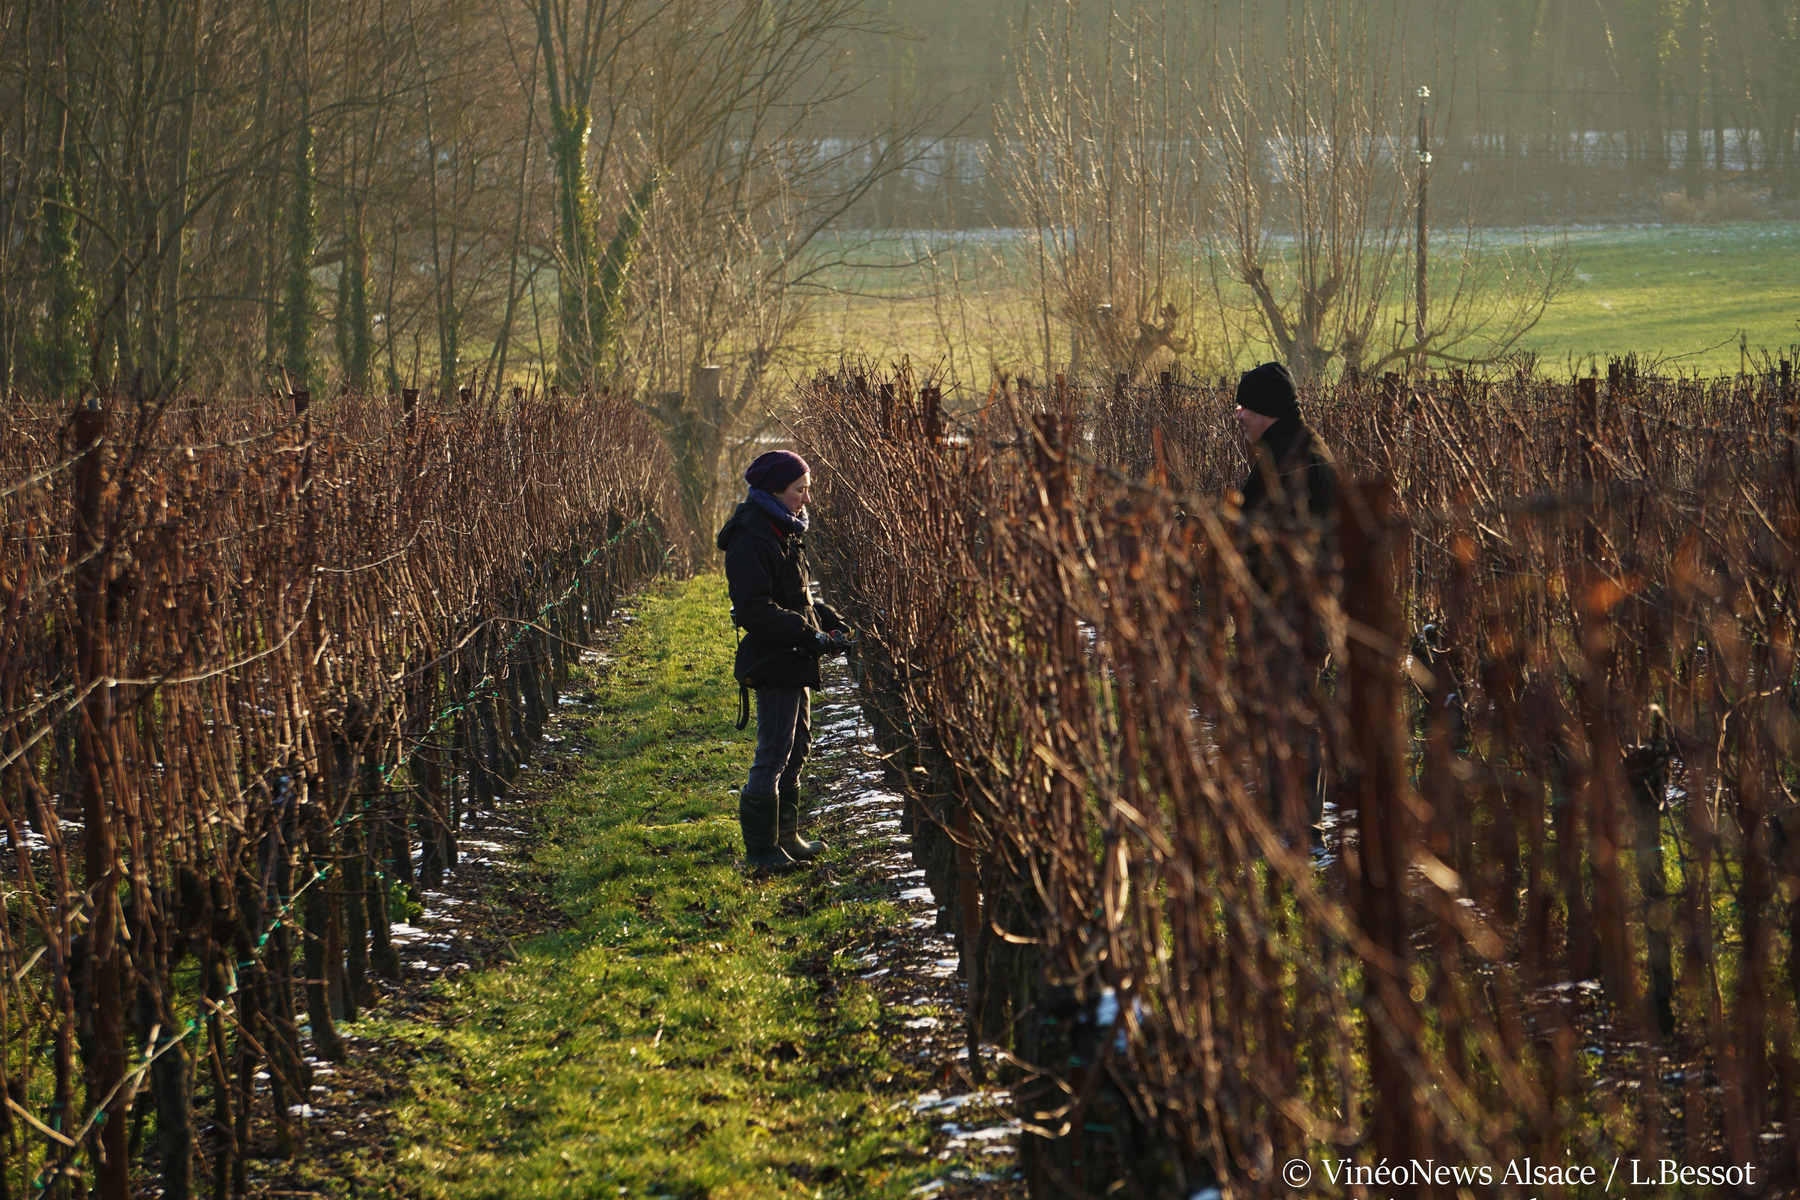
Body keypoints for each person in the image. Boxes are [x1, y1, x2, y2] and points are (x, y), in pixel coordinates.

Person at [717, 449, 851, 871]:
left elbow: (798, 597)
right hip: (776, 658)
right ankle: (761, 851)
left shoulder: (784, 529)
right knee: (773, 751)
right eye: (800, 490)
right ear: (776, 490)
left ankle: (786, 836)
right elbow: (755, 608)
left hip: (795, 656)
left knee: (797, 748)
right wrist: (808, 634)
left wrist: (834, 625)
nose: (807, 499)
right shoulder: (752, 534)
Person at [1231, 362, 1339, 852]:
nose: (1239, 417)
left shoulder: (1291, 462)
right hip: (1299, 610)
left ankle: (1300, 831)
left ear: (1265, 411)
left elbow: (1271, 540)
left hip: (1291, 613)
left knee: (1292, 716)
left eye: (1245, 408)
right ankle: (1288, 825)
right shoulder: (1297, 447)